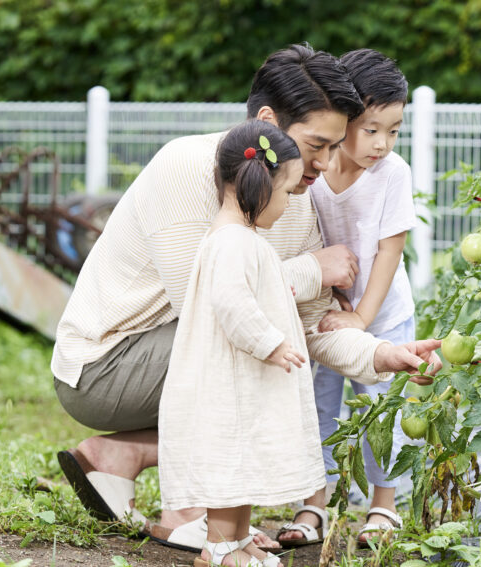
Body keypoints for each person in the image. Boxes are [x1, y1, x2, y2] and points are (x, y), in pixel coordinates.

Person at [51, 44, 443, 553]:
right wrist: (310, 269)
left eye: (334, 147)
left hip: (170, 362)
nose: (324, 164)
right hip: (104, 367)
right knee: (253, 345)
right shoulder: (187, 167)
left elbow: (312, 328)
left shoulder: (296, 201)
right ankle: (193, 512)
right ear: (267, 121)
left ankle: (123, 457)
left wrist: (380, 355)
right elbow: (211, 306)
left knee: (278, 350)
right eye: (315, 145)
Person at [159, 120, 322, 567]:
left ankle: (238, 539)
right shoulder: (232, 241)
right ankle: (218, 548)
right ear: (259, 184)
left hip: (241, 379)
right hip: (229, 379)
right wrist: (270, 343)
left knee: (243, 465)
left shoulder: (242, 238)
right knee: (229, 467)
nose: (289, 205)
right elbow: (232, 304)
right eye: (288, 192)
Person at [305, 48, 417, 548]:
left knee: (380, 408)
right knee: (317, 405)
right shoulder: (314, 173)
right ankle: (314, 503)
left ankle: (383, 505)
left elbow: (390, 250)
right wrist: (334, 310)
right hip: (329, 316)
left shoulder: (392, 174)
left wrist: (364, 317)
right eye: (371, 129)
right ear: (343, 115)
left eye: (394, 130)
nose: (383, 143)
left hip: (385, 314)